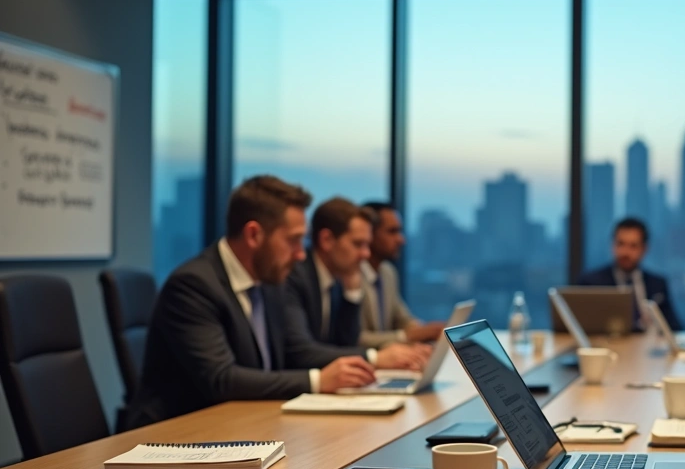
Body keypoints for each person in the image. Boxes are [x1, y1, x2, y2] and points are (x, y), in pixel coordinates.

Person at [127, 176, 378, 428]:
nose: (301, 254)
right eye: (293, 240)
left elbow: (296, 352)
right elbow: (221, 379)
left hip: (246, 425)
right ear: (254, 235)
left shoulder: (270, 282)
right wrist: (317, 381)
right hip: (177, 434)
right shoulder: (193, 285)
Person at [284, 197, 430, 369]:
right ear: (327, 240)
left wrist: (352, 294)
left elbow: (347, 343)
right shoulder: (295, 276)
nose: (366, 254)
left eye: (367, 245)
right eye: (358, 244)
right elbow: (301, 352)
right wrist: (375, 358)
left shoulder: (339, 277)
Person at [357, 202, 446, 348]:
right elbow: (355, 338)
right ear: (369, 234)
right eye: (392, 232)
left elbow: (403, 318)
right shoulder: (350, 276)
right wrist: (406, 336)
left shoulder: (388, 272)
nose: (401, 239)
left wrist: (427, 331)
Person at [578, 217, 681, 332]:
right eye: (620, 244)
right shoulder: (592, 282)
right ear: (612, 245)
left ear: (644, 249)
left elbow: (674, 327)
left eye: (633, 246)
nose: (625, 252)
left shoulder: (658, 284)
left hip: (648, 341)